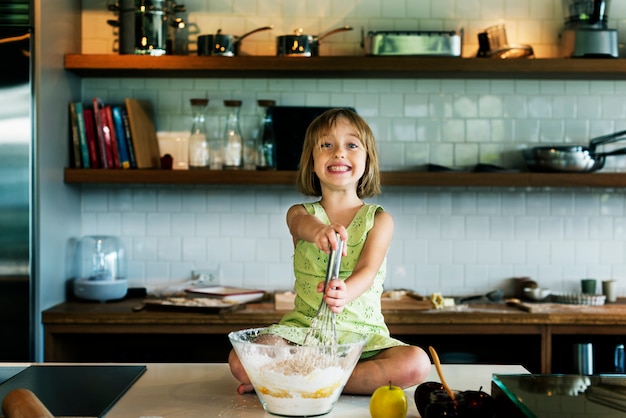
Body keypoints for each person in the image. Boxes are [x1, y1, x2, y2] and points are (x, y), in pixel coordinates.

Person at [228, 108, 431, 395]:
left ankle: (302, 381)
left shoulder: (380, 220)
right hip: (303, 333)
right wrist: (319, 231)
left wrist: (345, 291)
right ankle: (316, 380)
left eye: (351, 145)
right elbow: (302, 225)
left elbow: (367, 271)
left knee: (416, 363)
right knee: (239, 360)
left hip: (362, 338)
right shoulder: (300, 214)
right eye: (326, 145)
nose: (338, 153)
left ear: (367, 159)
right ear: (311, 162)